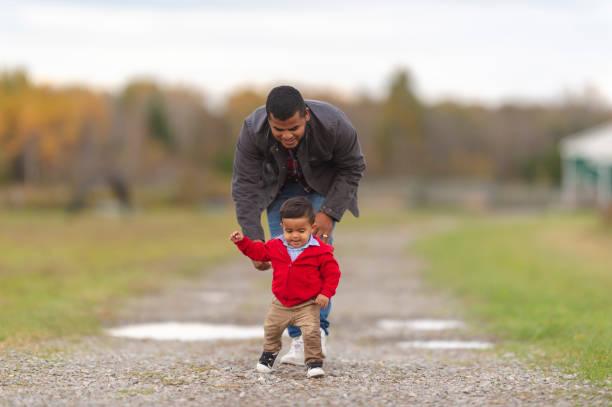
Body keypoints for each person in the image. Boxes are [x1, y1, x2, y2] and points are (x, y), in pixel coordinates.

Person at [231, 85, 365, 365]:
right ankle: (299, 340)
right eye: (279, 129)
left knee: (312, 258)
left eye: (293, 127)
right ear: (268, 119)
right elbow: (244, 185)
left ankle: (315, 333)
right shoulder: (253, 130)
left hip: (322, 190)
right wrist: (254, 239)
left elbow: (353, 167)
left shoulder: (334, 124)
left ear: (306, 115)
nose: (286, 135)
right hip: (277, 191)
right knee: (285, 260)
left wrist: (329, 211)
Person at [229, 197, 341, 378]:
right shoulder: (276, 245)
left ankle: (314, 363)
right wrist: (242, 242)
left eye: (301, 231)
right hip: (281, 303)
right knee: (271, 329)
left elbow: (332, 274)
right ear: (282, 226)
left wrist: (326, 293)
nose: (295, 236)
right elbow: (258, 252)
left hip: (308, 303)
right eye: (289, 230)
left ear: (312, 228)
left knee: (312, 333)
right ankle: (269, 355)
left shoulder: (321, 250)